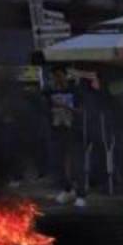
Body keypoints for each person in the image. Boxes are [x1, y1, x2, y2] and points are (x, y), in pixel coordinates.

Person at [47, 68, 86, 208]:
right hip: (57, 130)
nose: (57, 79)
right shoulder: (50, 92)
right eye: (54, 76)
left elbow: (81, 110)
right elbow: (46, 110)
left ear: (64, 76)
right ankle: (67, 189)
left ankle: (81, 193)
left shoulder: (75, 91)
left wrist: (66, 107)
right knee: (60, 161)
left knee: (76, 162)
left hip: (73, 130)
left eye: (59, 76)